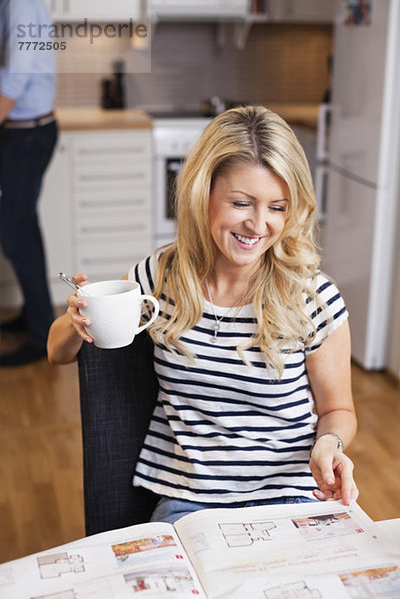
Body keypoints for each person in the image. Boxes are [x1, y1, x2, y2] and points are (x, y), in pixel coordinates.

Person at [47, 105, 358, 524]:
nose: (258, 224)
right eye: (241, 202)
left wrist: (330, 444)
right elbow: (57, 351)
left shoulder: (314, 296)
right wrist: (77, 318)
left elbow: (339, 410)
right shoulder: (161, 276)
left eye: (277, 207)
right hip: (188, 502)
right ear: (203, 192)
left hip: (291, 497)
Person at [0, 0, 58, 366]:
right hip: (21, 133)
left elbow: (16, 79)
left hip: (27, 135)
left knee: (15, 230)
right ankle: (34, 314)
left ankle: (40, 334)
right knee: (22, 227)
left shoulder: (21, 3)